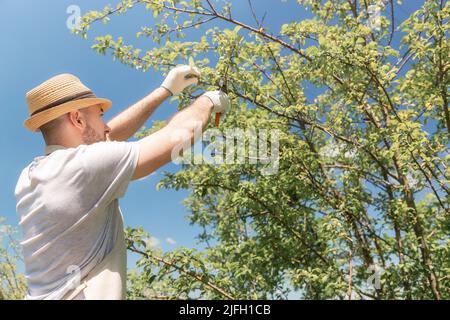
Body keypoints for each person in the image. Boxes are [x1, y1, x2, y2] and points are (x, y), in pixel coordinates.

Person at [14, 65, 229, 299]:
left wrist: (165, 89)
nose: (107, 126)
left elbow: (105, 137)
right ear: (77, 119)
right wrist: (209, 101)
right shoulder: (84, 166)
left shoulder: (30, 175)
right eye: (100, 115)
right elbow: (181, 133)